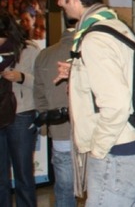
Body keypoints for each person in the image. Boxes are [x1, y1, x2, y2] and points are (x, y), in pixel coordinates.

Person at [52, 0, 135, 206]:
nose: (58, 3)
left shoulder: (95, 38)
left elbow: (117, 104)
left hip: (116, 154)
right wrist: (78, 72)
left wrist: (98, 149)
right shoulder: (117, 26)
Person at [33, 17, 76, 207]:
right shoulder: (92, 52)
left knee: (64, 188)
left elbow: (39, 94)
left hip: (60, 132)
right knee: (98, 188)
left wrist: (46, 122)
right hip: (94, 133)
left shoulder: (45, 55)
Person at [0, 11, 40, 207]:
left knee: (23, 173)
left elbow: (42, 83)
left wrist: (21, 77)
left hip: (21, 115)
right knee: (1, 177)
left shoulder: (29, 50)